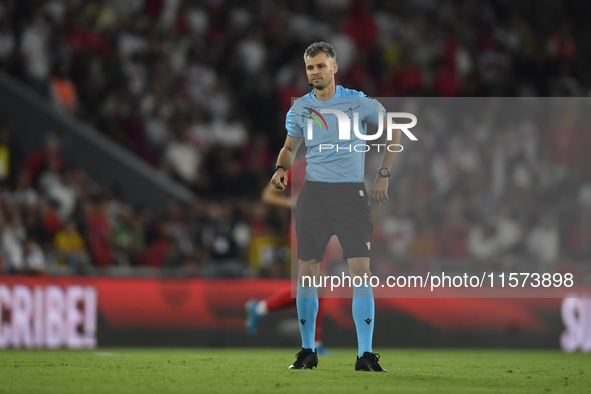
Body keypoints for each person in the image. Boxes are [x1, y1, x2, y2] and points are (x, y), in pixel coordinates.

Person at [270, 42, 400, 371]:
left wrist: (383, 173)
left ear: (334, 67)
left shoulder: (357, 101)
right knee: (307, 275)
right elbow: (288, 148)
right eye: (310, 67)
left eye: (320, 66)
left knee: (360, 272)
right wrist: (280, 168)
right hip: (314, 195)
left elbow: (394, 130)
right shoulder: (299, 108)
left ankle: (365, 355)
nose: (315, 72)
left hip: (349, 195)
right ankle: (307, 351)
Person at [245, 158, 332, 355]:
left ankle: (260, 308)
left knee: (318, 286)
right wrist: (291, 201)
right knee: (314, 284)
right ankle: (313, 343)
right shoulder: (302, 166)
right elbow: (268, 195)